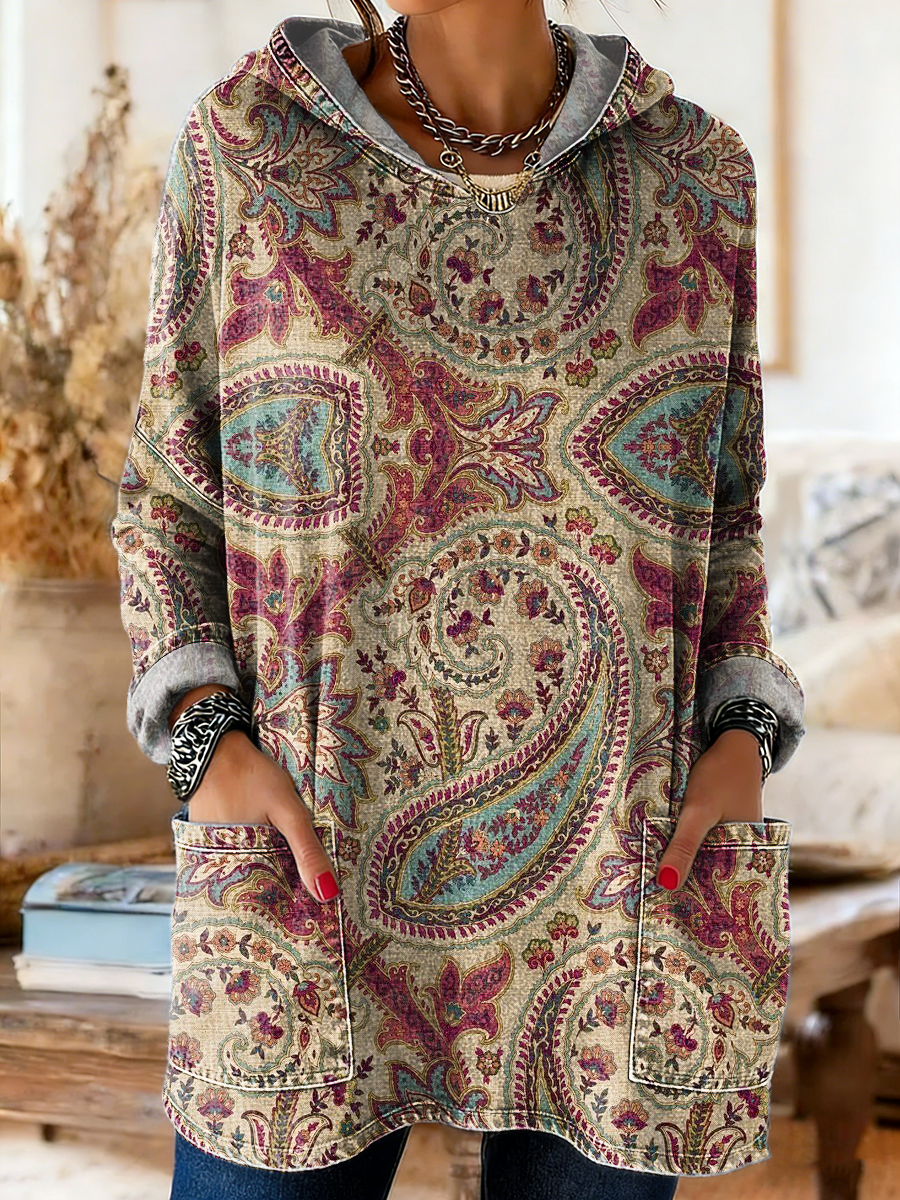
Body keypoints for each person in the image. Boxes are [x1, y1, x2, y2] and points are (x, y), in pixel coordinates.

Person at [109, 0, 806, 1196]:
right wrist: (206, 744)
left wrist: (741, 734)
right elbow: (170, 496)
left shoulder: (696, 176)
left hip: (619, 898)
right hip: (310, 870)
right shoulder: (250, 147)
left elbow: (723, 515)